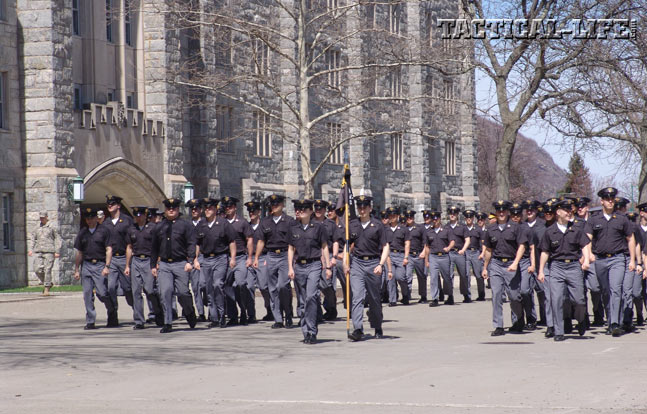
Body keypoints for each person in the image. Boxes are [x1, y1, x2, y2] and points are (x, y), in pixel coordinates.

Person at [537, 198, 591, 341]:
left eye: (570, 210)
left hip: (574, 267)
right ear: (558, 212)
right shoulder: (549, 232)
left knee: (579, 300)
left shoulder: (576, 229)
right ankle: (559, 331)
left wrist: (585, 260)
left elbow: (585, 245)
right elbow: (545, 252)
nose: (569, 212)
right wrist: (541, 270)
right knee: (557, 299)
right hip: (556, 267)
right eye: (566, 210)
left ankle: (580, 320)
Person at [587, 187, 636, 337]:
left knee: (616, 289)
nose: (610, 201)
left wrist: (633, 260)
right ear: (602, 201)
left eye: (612, 199)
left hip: (617, 259)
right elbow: (588, 237)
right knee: (605, 291)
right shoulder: (594, 219)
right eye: (607, 199)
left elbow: (631, 239)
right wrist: (588, 254)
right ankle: (611, 321)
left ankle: (615, 323)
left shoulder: (622, 219)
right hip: (600, 260)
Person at [150, 197, 199, 333]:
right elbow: (154, 248)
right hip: (165, 264)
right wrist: (153, 265)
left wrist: (190, 261)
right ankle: (168, 322)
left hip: (181, 263)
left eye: (174, 208)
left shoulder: (185, 225)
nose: (171, 210)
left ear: (178, 210)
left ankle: (189, 311)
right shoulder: (159, 227)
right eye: (168, 208)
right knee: (165, 292)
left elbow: (191, 244)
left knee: (183, 293)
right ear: (165, 210)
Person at [346, 195, 391, 341]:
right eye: (359, 207)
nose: (362, 209)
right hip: (357, 264)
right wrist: (346, 263)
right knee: (357, 297)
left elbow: (385, 247)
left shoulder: (377, 225)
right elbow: (347, 247)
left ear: (370, 208)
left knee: (374, 298)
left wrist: (381, 265)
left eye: (365, 207)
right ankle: (358, 328)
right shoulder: (352, 224)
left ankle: (377, 325)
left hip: (373, 264)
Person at [288, 199, 332, 344]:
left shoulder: (318, 227)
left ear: (310, 212)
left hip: (314, 265)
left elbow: (324, 246)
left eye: (303, 209)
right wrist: (290, 267)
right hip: (299, 266)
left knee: (311, 297)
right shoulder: (293, 228)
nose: (300, 212)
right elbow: (290, 249)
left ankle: (312, 331)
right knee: (302, 300)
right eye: (298, 209)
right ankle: (305, 331)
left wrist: (327, 267)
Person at [482, 200, 527, 336]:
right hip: (496, 264)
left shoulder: (515, 227)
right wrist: (485, 267)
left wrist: (516, 263)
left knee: (514, 296)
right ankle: (498, 326)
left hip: (511, 264)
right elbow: (489, 249)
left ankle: (518, 320)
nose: (501, 213)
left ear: (507, 212)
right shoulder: (491, 229)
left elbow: (522, 246)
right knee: (496, 295)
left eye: (503, 210)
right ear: (496, 213)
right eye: (498, 211)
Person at [253, 194, 295, 328]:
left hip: (284, 255)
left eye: (277, 204)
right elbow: (261, 241)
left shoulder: (289, 221)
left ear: (282, 205)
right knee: (272, 289)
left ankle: (288, 313)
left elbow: (293, 243)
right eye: (272, 204)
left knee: (283, 286)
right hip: (271, 256)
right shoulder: (265, 222)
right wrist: (256, 258)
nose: (274, 206)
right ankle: (278, 318)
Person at [195, 198, 237, 328]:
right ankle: (214, 318)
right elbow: (197, 243)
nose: (207, 211)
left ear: (215, 209)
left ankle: (222, 314)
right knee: (209, 288)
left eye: (210, 208)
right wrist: (195, 259)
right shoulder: (201, 224)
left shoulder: (223, 224)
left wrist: (233, 258)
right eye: (205, 208)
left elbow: (232, 241)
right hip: (206, 259)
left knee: (218, 284)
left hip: (220, 258)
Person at [73, 207, 115, 330]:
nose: (89, 221)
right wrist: (76, 269)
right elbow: (79, 252)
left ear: (96, 218)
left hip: (99, 265)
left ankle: (111, 308)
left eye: (92, 218)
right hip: (86, 265)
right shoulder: (83, 232)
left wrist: (107, 266)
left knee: (102, 293)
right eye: (87, 218)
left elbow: (109, 249)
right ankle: (90, 320)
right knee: (87, 294)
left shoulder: (104, 231)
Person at [125, 206, 164, 329]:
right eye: (136, 215)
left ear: (145, 216)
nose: (138, 217)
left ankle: (158, 312)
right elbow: (129, 247)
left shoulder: (153, 228)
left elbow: (158, 246)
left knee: (150, 290)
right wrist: (127, 265)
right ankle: (139, 321)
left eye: (140, 215)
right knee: (135, 291)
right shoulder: (132, 229)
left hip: (149, 260)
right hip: (136, 260)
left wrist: (157, 262)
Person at [221, 196, 255, 325]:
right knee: (227, 287)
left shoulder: (242, 222)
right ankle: (233, 315)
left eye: (230, 207)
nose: (227, 209)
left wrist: (250, 257)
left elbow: (250, 239)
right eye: (226, 207)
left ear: (235, 208)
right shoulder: (222, 222)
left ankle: (244, 311)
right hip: (225, 257)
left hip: (240, 257)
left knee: (240, 284)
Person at [104, 195, 134, 327]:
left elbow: (132, 242)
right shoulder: (106, 223)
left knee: (128, 288)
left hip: (124, 258)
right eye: (108, 204)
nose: (110, 205)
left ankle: (137, 311)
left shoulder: (127, 221)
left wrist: (129, 262)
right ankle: (112, 315)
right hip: (112, 260)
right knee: (110, 288)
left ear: (119, 205)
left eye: (113, 203)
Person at [510, 202, 537, 329]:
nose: (515, 217)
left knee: (525, 291)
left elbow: (532, 248)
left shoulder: (526, 228)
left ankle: (531, 317)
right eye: (513, 215)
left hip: (525, 261)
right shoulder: (507, 228)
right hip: (511, 261)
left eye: (517, 215)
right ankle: (517, 321)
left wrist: (533, 264)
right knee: (514, 293)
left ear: (521, 215)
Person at [246, 200, 273, 321]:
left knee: (263, 286)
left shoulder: (265, 225)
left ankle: (270, 309)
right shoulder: (246, 226)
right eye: (250, 211)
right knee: (248, 286)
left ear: (259, 212)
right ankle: (251, 314)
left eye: (254, 211)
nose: (252, 213)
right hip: (249, 259)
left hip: (263, 258)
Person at [312, 199, 339, 321]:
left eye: (320, 209)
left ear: (324, 210)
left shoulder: (330, 224)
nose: (318, 211)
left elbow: (335, 241)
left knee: (327, 286)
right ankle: (316, 313)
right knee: (314, 287)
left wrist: (334, 257)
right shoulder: (310, 223)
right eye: (316, 209)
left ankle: (331, 308)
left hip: (328, 257)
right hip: (313, 257)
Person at [422, 211, 453, 307]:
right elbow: (427, 247)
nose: (435, 221)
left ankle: (450, 296)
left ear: (440, 219)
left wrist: (448, 248)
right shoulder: (429, 232)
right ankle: (435, 298)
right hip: (433, 256)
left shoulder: (446, 230)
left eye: (436, 219)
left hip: (444, 256)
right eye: (433, 219)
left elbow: (452, 241)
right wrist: (426, 260)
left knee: (447, 277)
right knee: (433, 278)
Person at [186, 198, 208, 322]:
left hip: (204, 256)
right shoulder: (187, 225)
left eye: (196, 209)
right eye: (192, 209)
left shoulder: (205, 223)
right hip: (191, 257)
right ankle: (201, 313)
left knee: (204, 284)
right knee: (195, 286)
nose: (194, 211)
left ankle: (208, 302)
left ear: (201, 210)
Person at [28, 211, 61, 295]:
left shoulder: (52, 226)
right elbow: (33, 238)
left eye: (43, 217)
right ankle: (48, 282)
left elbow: (57, 238)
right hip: (38, 250)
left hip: (49, 251)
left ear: (47, 217)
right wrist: (30, 249)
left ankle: (46, 288)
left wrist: (57, 251)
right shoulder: (37, 227)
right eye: (40, 218)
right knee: (37, 269)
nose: (41, 219)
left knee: (47, 270)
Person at [385, 206, 411, 306]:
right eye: (390, 216)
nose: (392, 217)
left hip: (400, 255)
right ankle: (392, 299)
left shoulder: (403, 229)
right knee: (390, 277)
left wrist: (406, 257)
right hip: (389, 255)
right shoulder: (385, 229)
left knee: (401, 277)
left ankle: (405, 295)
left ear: (398, 216)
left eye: (394, 215)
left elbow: (407, 243)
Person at [447, 205, 472, 303]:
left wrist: (463, 250)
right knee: (448, 275)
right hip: (449, 253)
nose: (452, 215)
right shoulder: (446, 227)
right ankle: (450, 296)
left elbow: (467, 240)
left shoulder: (462, 227)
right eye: (451, 213)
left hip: (459, 253)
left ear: (457, 215)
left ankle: (466, 295)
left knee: (463, 274)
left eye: (454, 213)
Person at [404, 209, 427, 303]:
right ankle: (407, 296)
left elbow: (425, 241)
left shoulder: (420, 228)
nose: (409, 219)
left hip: (418, 255)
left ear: (413, 218)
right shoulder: (403, 228)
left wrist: (424, 252)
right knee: (407, 276)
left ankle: (423, 296)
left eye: (411, 217)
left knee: (421, 276)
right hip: (408, 256)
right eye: (407, 217)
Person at [463, 209, 485, 301]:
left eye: (470, 217)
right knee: (466, 275)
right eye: (467, 217)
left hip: (475, 252)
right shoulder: (462, 228)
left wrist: (482, 253)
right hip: (465, 253)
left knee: (478, 274)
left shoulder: (478, 229)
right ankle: (467, 296)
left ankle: (481, 295)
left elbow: (483, 243)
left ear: (473, 218)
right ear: (465, 219)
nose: (469, 219)